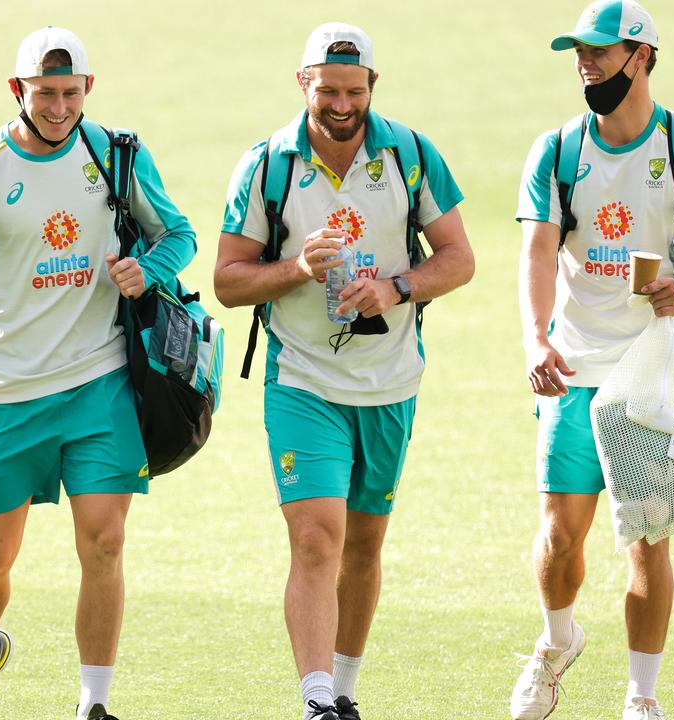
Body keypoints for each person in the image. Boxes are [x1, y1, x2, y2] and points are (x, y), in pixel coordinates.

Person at [0, 27, 196, 720]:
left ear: (89, 91)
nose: (59, 107)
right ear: (18, 91)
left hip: (100, 383)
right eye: (45, 93)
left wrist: (147, 270)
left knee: (104, 540)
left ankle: (92, 706)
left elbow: (179, 235)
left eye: (71, 93)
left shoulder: (114, 154)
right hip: (6, 394)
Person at [214, 23, 474, 720]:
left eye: (353, 91)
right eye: (326, 89)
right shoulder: (268, 164)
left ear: (372, 88)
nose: (339, 104)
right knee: (316, 535)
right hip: (301, 380)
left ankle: (348, 692)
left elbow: (459, 257)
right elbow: (228, 281)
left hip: (391, 381)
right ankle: (317, 698)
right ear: (303, 83)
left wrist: (396, 288)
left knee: (363, 544)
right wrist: (299, 267)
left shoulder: (410, 154)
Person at [510, 2, 674, 718]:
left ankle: (641, 698)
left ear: (641, 56)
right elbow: (538, 252)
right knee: (559, 535)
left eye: (601, 52)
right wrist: (535, 338)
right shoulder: (557, 151)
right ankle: (557, 644)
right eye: (579, 52)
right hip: (574, 363)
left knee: (647, 539)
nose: (586, 63)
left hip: (651, 371)